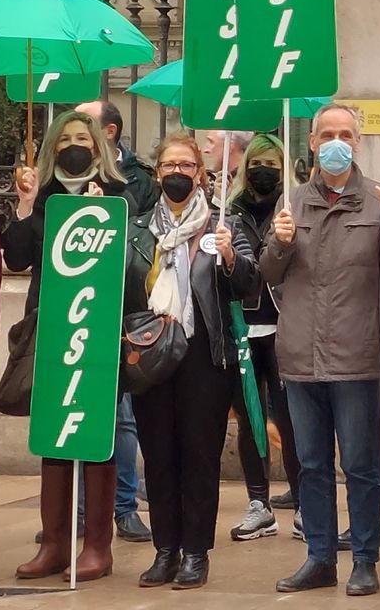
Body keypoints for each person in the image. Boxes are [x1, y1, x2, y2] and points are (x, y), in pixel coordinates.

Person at [262, 103, 380, 597]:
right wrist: (278, 244)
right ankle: (318, 557)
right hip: (300, 359)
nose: (337, 142)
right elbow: (268, 276)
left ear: (357, 142)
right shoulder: (292, 201)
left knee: (360, 465)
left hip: (357, 358)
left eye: (346, 134)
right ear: (312, 142)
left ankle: (364, 557)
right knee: (311, 465)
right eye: (327, 134)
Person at [9, 110, 137, 582]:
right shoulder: (42, 197)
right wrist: (24, 205)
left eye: (82, 137)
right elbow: (18, 257)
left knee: (97, 433)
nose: (73, 145)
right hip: (52, 328)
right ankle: (55, 544)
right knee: (55, 431)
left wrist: (105, 215)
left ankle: (98, 547)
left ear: (99, 144)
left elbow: (134, 267)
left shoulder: (119, 193)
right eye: (64, 139)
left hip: (100, 328)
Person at [130, 130, 257, 591]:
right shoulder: (139, 227)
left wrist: (228, 257)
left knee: (198, 457)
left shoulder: (226, 223)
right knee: (159, 455)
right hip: (150, 355)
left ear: (200, 174)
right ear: (157, 172)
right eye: (169, 167)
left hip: (205, 355)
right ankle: (165, 549)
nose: (177, 174)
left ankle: (195, 553)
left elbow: (250, 283)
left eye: (186, 166)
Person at [75, 100, 154, 543]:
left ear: (106, 133)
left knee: (121, 417)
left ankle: (123, 507)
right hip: (71, 311)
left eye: (83, 127)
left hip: (119, 307)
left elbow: (140, 239)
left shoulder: (136, 179)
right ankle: (78, 510)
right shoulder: (59, 179)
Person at [228, 132, 303, 544]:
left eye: (272, 164)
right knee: (249, 419)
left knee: (292, 420)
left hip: (283, 326)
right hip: (242, 325)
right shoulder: (230, 213)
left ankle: (305, 504)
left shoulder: (293, 209)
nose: (263, 171)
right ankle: (259, 503)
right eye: (256, 163)